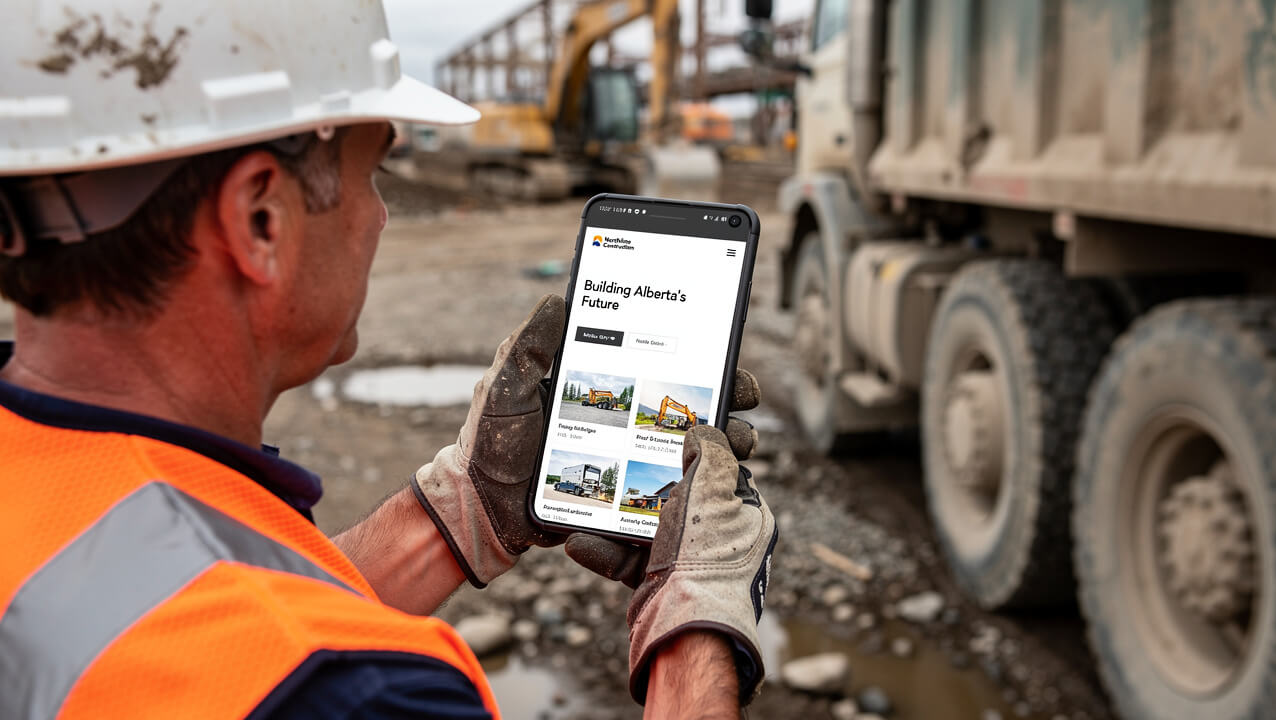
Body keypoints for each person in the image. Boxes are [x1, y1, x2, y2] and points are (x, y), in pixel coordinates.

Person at [0, 1, 778, 718]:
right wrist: (693, 628)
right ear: (260, 219)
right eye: (371, 173)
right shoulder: (360, 698)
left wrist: (461, 510)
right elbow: (272, 649)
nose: (378, 216)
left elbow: (190, 613)